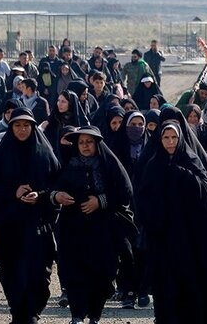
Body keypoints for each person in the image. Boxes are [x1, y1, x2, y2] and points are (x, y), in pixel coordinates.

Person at [136, 123, 207, 324]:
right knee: (166, 288)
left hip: (190, 239)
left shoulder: (192, 161)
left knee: (190, 287)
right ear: (160, 140)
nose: (171, 142)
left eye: (174, 137)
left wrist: (181, 175)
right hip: (163, 238)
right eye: (166, 138)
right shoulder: (153, 165)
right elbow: (143, 198)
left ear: (180, 138)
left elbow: (205, 192)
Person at [0, 107, 60, 324]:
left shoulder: (45, 153)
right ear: (11, 127)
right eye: (17, 125)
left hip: (38, 227)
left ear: (33, 127)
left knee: (39, 276)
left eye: (26, 125)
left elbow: (57, 183)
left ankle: (31, 313)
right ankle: (22, 315)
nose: (22, 129)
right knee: (11, 273)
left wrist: (41, 196)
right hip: (10, 227)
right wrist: (13, 192)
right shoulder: (3, 153)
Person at [52, 126, 134, 324]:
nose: (85, 146)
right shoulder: (68, 163)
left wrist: (100, 201)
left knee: (102, 272)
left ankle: (95, 315)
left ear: (97, 143)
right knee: (74, 271)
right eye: (81, 142)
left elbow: (125, 191)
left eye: (89, 142)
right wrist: (57, 196)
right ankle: (77, 315)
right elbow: (53, 186)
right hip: (73, 227)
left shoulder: (108, 164)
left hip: (103, 228)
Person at [41, 90, 89, 163]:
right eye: (58, 100)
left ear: (70, 104)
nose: (59, 104)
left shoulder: (79, 124)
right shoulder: (53, 120)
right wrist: (41, 128)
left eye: (63, 102)